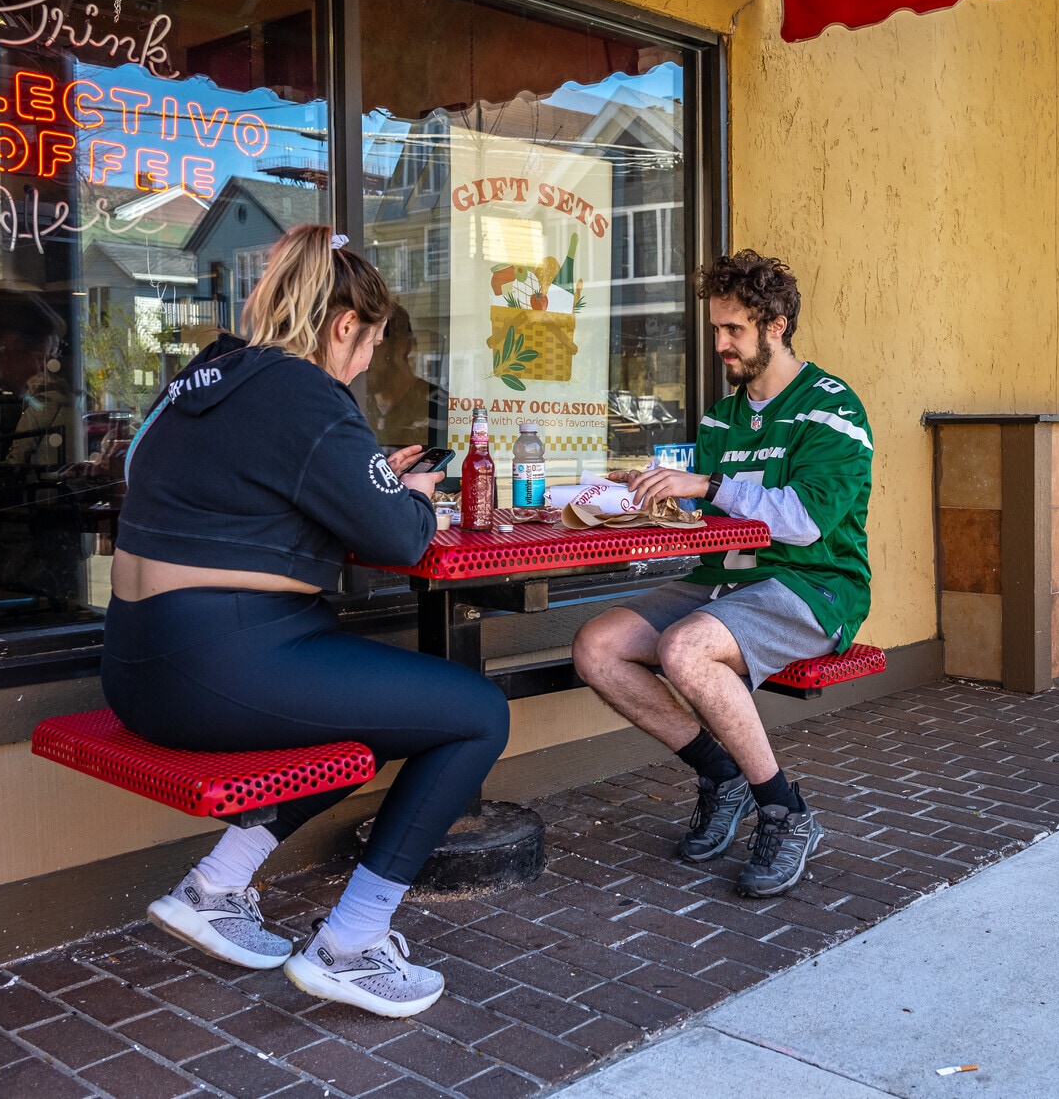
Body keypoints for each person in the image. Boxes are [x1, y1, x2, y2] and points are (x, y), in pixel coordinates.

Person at [103, 224, 509, 1019]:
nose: (361, 369)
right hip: (220, 663)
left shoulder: (208, 373)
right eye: (366, 348)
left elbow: (198, 478)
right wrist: (411, 494)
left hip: (136, 663)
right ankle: (352, 943)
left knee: (377, 719)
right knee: (474, 711)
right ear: (343, 325)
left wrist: (358, 479)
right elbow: (399, 535)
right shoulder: (305, 391)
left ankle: (217, 884)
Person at [571, 250, 873, 897]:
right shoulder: (719, 417)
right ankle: (722, 775)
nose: (720, 344)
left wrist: (707, 481)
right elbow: (698, 513)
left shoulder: (830, 407)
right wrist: (632, 499)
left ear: (777, 325)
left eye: (733, 330)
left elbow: (804, 520)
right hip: (720, 580)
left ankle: (786, 809)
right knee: (596, 647)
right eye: (716, 328)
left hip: (811, 584)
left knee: (685, 649)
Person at [363, 303, 447, 451]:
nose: (364, 359)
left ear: (400, 347)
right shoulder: (358, 404)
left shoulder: (438, 408)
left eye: (373, 345)